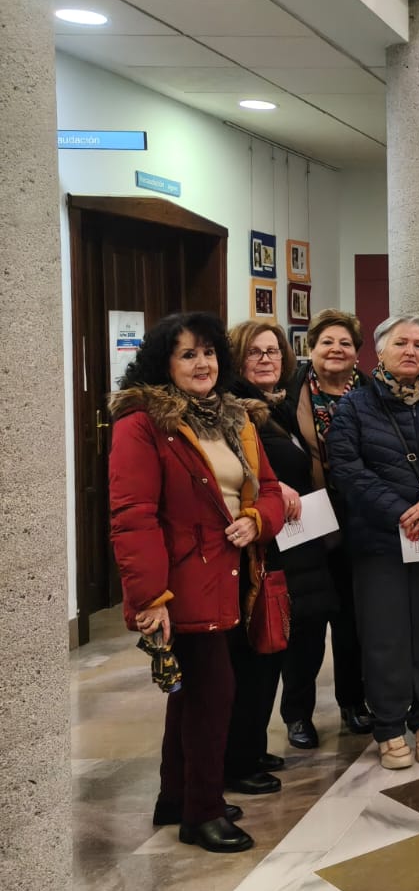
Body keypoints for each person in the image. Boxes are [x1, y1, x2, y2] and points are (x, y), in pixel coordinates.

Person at [109, 312, 285, 853]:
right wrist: (149, 598)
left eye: (208, 352)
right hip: (181, 581)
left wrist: (256, 520)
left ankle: (176, 796)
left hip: (235, 576)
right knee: (213, 694)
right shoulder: (141, 423)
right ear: (164, 363)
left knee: (189, 696)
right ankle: (202, 813)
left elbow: (272, 492)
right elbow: (132, 515)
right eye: (187, 354)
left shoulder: (236, 417)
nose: (202, 363)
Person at [326, 314, 419, 770]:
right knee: (384, 635)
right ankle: (390, 726)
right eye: (400, 343)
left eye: (417, 343)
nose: (410, 351)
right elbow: (347, 467)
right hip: (378, 540)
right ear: (379, 351)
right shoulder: (355, 405)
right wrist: (398, 510)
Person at [224, 321, 330, 794]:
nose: (266, 360)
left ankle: (250, 745)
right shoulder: (233, 412)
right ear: (237, 360)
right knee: (256, 654)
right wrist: (270, 486)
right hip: (264, 545)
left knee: (276, 648)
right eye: (255, 353)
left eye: (273, 351)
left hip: (296, 538)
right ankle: (239, 757)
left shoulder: (277, 408)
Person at [280, 309, 370, 745]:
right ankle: (298, 713)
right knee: (308, 625)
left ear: (357, 352)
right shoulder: (285, 395)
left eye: (345, 343)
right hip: (306, 523)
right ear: (310, 349)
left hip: (360, 521)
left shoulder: (371, 393)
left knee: (355, 622)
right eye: (326, 342)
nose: (336, 350)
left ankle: (354, 702)